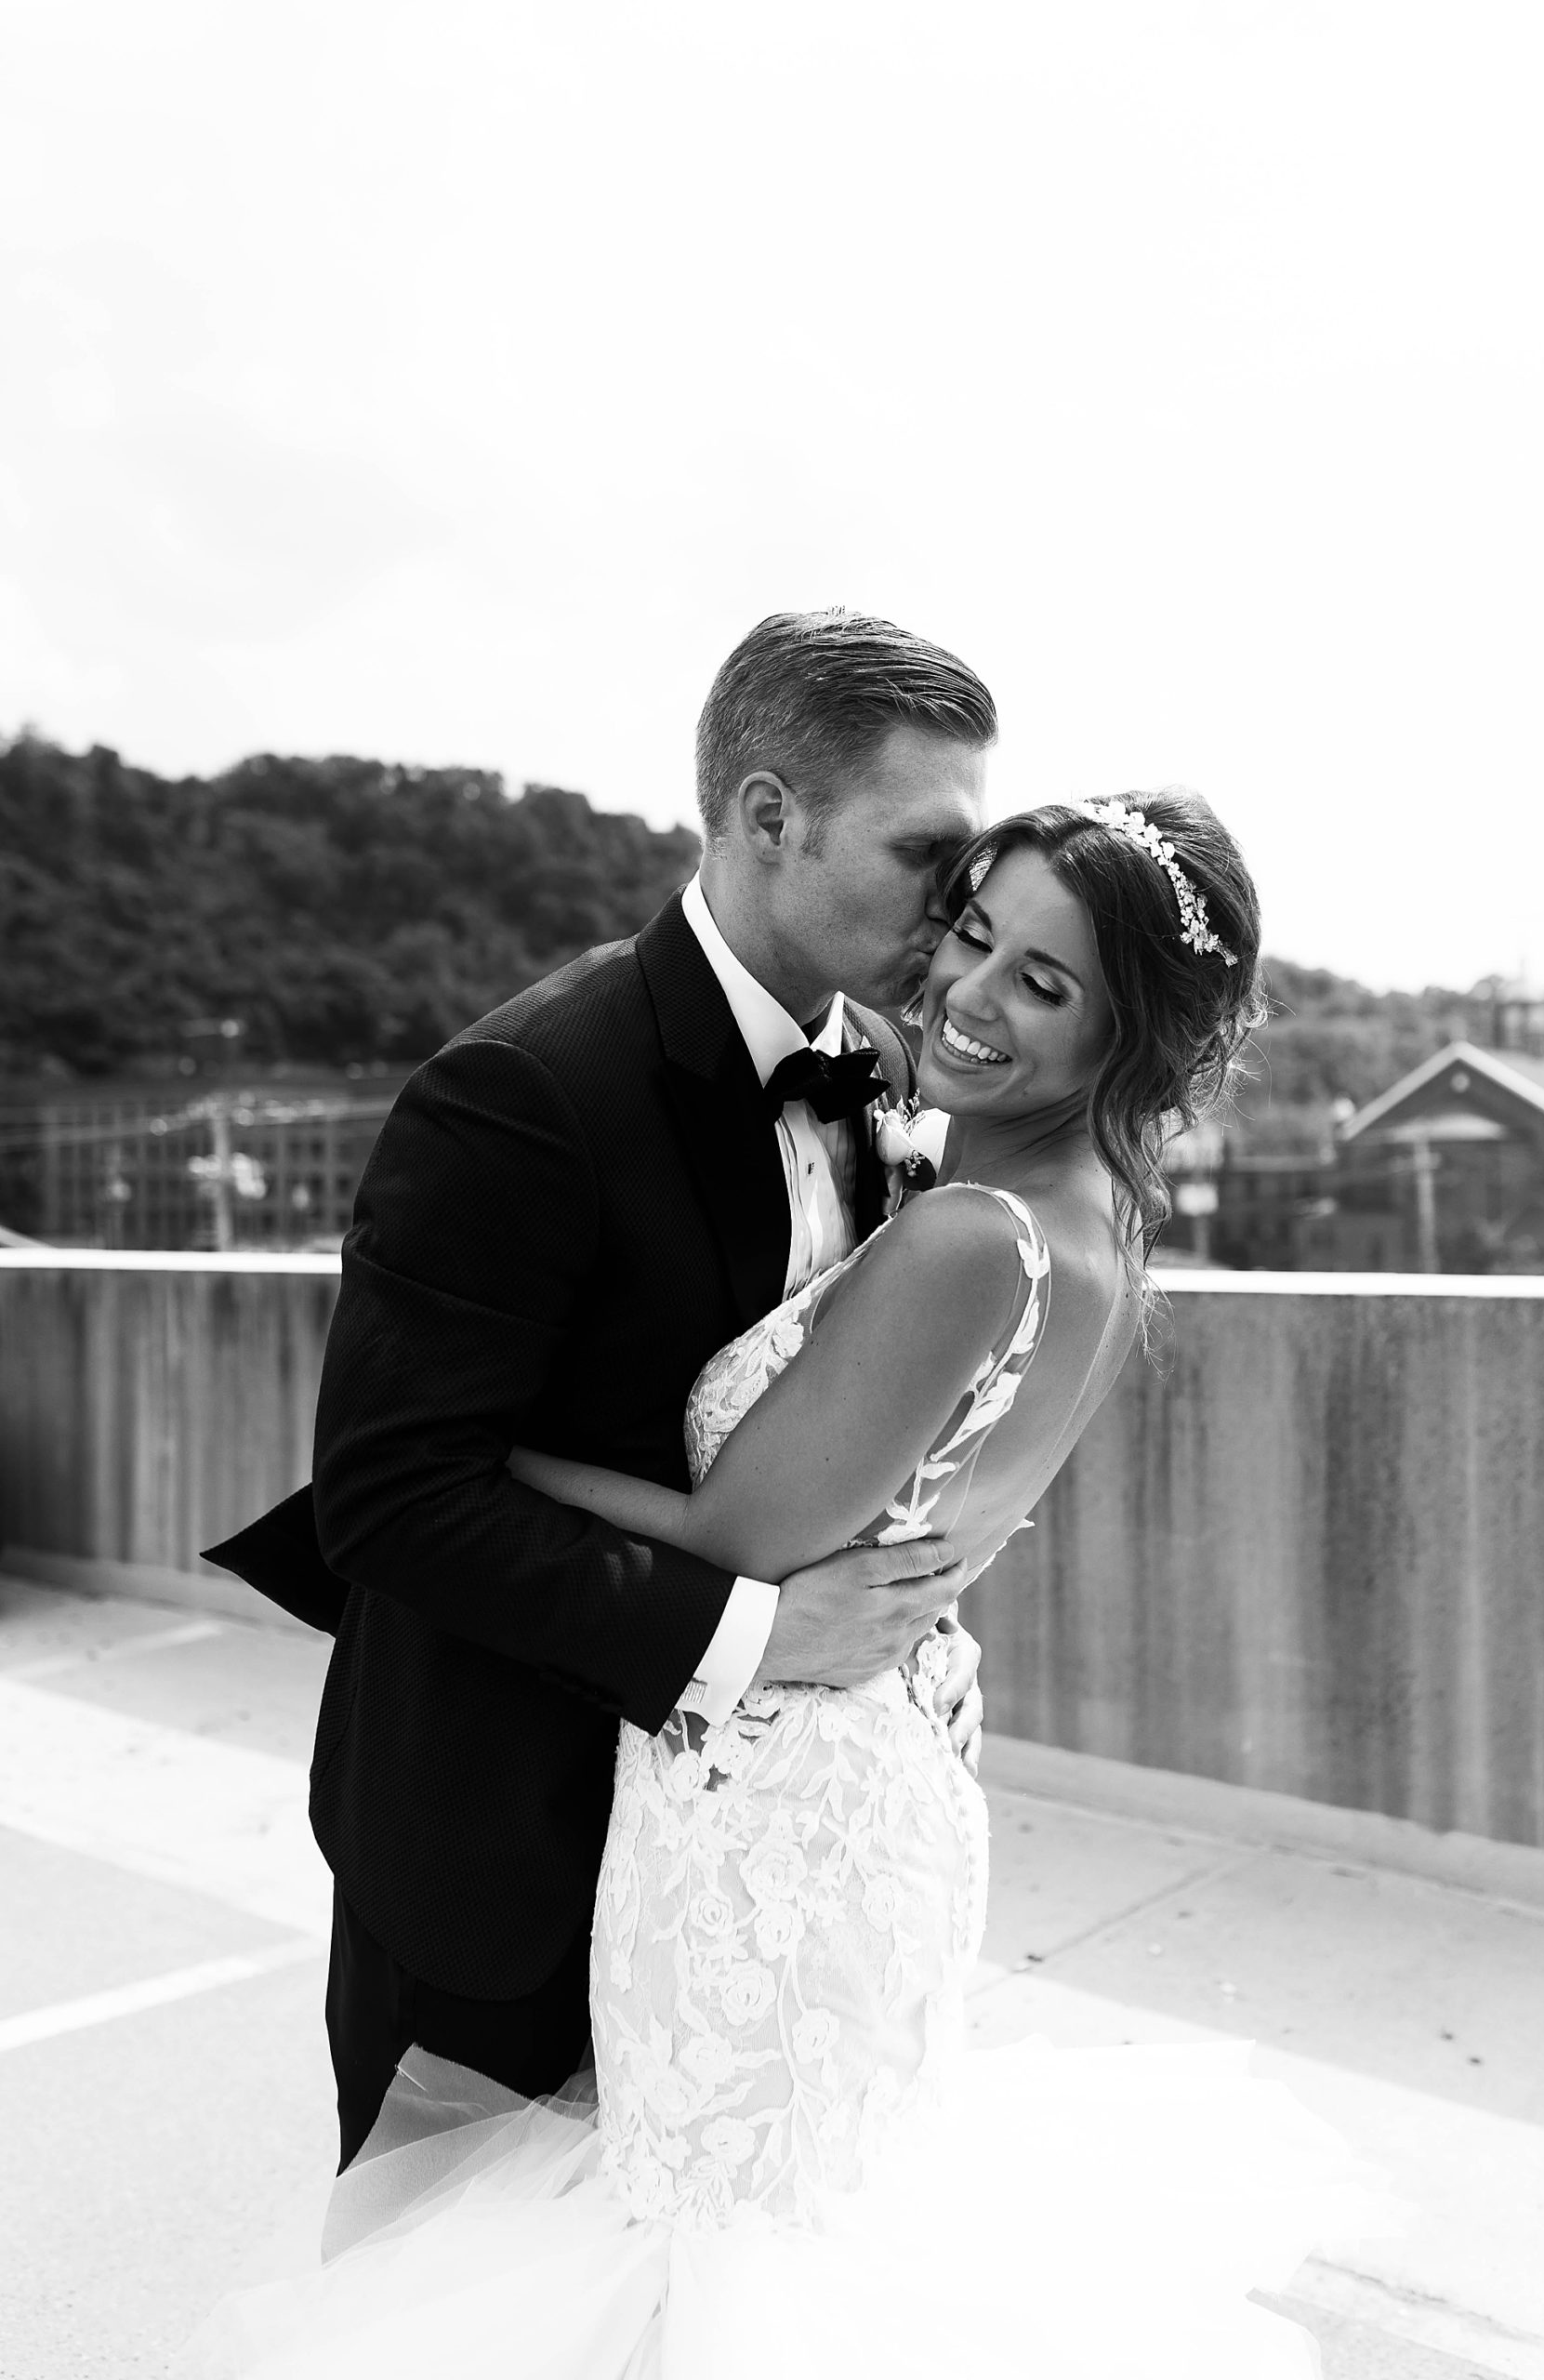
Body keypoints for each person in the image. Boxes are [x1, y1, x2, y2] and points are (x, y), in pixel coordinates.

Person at [185, 791, 1368, 2380]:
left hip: (777, 1814)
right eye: (973, 930)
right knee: (757, 2257)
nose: (971, 989)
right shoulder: (1091, 1218)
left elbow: (740, 1534)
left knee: (694, 2275)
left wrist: (479, 1459)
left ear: (1130, 1036)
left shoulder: (970, 1233)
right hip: (859, 1785)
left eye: (1047, 982)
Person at [205, 608, 999, 2172]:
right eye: (928, 854)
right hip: (510, 1845)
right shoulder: (522, 1092)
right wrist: (762, 1635)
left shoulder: (895, 1081)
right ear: (772, 817)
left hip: (745, 1894)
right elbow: (389, 1497)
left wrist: (912, 1629)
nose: (957, 908)